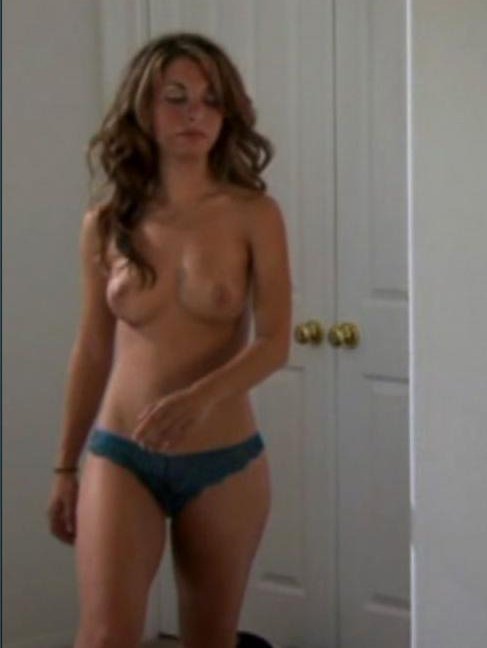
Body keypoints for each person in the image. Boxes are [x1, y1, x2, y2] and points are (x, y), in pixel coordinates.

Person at [45, 32, 291, 648]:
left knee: (210, 637)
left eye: (210, 100)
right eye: (175, 98)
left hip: (224, 458)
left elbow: (274, 342)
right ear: (144, 110)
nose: (194, 114)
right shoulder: (106, 223)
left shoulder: (254, 214)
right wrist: (66, 465)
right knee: (104, 636)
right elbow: (92, 349)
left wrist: (198, 398)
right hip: (121, 451)